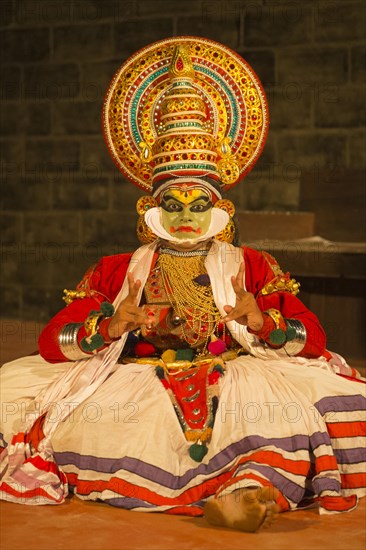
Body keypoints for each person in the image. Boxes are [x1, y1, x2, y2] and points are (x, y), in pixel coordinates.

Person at [0, 37, 365, 533]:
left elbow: (314, 339)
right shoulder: (117, 269)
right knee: (71, 417)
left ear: (220, 208)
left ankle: (250, 492)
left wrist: (265, 322)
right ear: (151, 209)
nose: (188, 216)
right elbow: (50, 343)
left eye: (199, 204)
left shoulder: (250, 267)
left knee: (281, 420)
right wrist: (107, 327)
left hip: (237, 376)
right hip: (137, 380)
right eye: (174, 204)